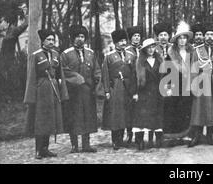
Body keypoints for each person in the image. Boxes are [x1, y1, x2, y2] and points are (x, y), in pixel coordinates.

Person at [24, 29, 69, 159]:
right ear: (42, 41)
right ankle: (38, 149)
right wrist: (31, 97)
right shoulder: (36, 55)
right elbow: (31, 76)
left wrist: (63, 91)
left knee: (51, 120)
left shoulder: (56, 54)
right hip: (41, 92)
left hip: (54, 91)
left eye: (52, 40)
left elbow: (60, 74)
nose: (51, 42)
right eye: (48, 40)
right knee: (41, 121)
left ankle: (46, 149)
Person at [61, 25, 100, 153]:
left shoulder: (91, 53)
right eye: (77, 36)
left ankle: (86, 144)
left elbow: (97, 70)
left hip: (88, 91)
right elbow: (63, 71)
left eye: (82, 36)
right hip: (73, 92)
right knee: (74, 117)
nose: (80, 39)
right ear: (72, 38)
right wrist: (76, 78)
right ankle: (74, 145)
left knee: (88, 116)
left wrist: (97, 82)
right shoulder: (66, 54)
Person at [188, 22, 213, 148]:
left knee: (212, 110)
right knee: (199, 110)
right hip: (201, 83)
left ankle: (209, 136)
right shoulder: (197, 50)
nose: (209, 36)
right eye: (207, 34)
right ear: (204, 36)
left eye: (212, 34)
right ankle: (197, 136)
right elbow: (193, 68)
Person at [101, 30, 137, 150]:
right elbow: (105, 75)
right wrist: (106, 91)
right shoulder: (109, 57)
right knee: (116, 114)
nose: (123, 43)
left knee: (127, 113)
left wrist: (134, 90)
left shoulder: (131, 55)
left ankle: (125, 138)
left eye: (124, 41)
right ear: (115, 42)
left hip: (128, 87)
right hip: (115, 87)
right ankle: (116, 140)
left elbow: (134, 74)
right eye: (120, 41)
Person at [162, 21, 194, 146]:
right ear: (176, 40)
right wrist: (168, 86)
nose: (182, 40)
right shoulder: (171, 53)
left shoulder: (191, 52)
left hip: (188, 84)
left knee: (186, 110)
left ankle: (186, 135)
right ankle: (174, 136)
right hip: (175, 84)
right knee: (174, 110)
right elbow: (166, 70)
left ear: (187, 39)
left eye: (184, 38)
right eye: (180, 38)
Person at [132, 38, 165, 150]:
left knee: (157, 116)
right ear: (145, 49)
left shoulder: (160, 60)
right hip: (143, 92)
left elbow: (164, 76)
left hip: (157, 92)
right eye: (148, 47)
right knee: (141, 117)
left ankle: (159, 140)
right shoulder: (140, 62)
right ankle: (139, 141)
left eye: (152, 47)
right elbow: (135, 79)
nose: (151, 49)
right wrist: (135, 93)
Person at [124, 26, 143, 145]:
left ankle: (139, 136)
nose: (136, 38)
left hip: (141, 84)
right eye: (134, 36)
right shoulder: (127, 51)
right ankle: (129, 134)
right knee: (130, 111)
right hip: (129, 84)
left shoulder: (144, 49)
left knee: (140, 111)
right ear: (130, 38)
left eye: (138, 36)